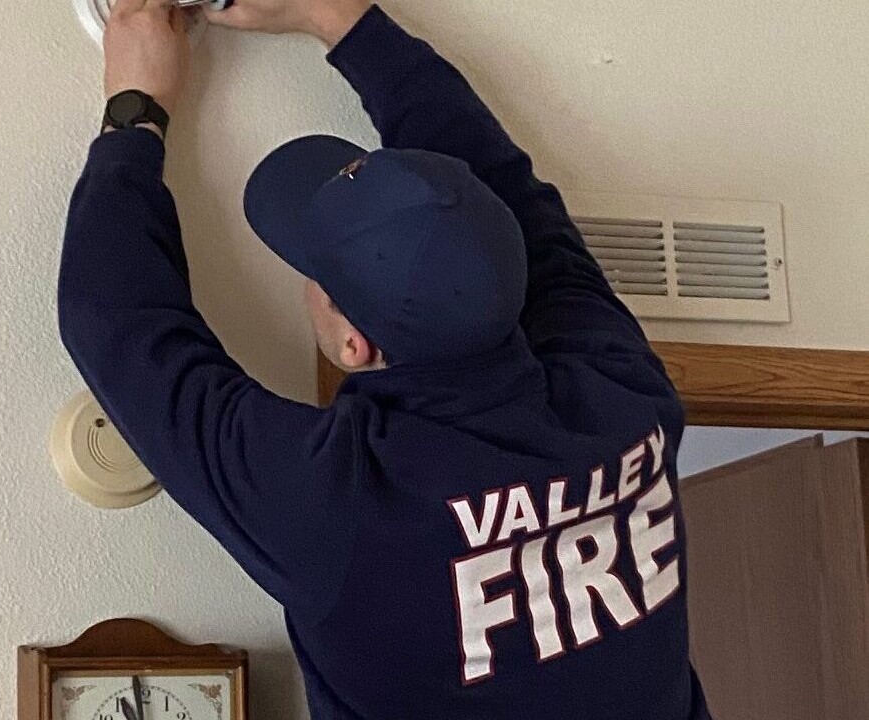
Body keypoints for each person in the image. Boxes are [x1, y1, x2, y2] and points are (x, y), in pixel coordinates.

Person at [57, 0, 713, 717]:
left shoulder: (347, 499)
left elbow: (116, 321)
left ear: (353, 344)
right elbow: (499, 180)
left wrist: (135, 108)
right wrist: (338, 16)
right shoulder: (617, 384)